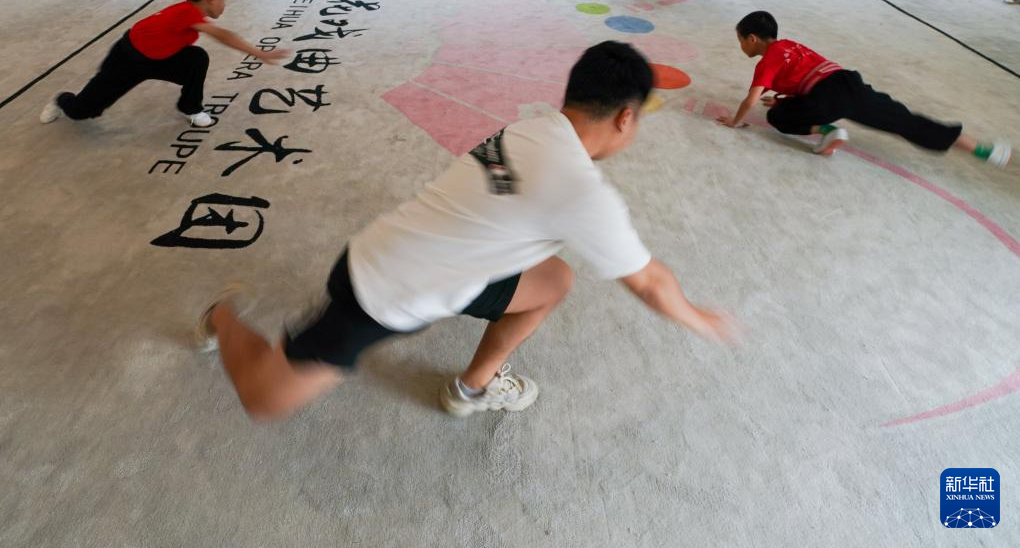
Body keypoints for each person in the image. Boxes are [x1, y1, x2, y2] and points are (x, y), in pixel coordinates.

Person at [196, 41, 735, 422]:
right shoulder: (581, 191)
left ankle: (472, 387)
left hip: (441, 266)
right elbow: (649, 282)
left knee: (554, 279)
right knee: (263, 399)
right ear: (625, 118)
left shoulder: (533, 127)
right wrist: (700, 318)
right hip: (381, 289)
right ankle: (221, 316)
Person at [716, 11, 1011, 168]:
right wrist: (785, 99)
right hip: (848, 82)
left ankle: (829, 131)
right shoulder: (789, 45)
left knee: (778, 118)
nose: (741, 46)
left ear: (752, 38)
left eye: (740, 40)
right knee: (902, 120)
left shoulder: (766, 61)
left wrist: (735, 121)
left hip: (826, 96)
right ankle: (981, 149)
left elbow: (751, 100)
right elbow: (806, 76)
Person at [40, 0, 289, 128]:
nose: (225, 2)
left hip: (162, 57)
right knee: (84, 111)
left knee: (196, 57)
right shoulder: (187, 13)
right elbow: (222, 35)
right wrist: (258, 53)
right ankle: (62, 100)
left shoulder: (191, 13)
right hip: (127, 59)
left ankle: (190, 107)